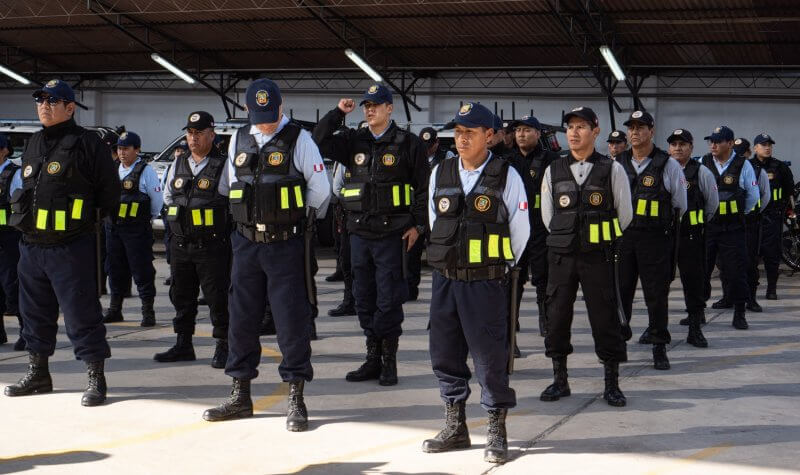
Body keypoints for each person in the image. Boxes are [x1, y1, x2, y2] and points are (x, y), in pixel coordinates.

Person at [203, 79, 330, 432]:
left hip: (285, 244)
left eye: (271, 115)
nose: (266, 122)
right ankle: (240, 394)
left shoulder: (299, 140)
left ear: (281, 105)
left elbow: (320, 191)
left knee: (291, 320)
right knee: (241, 318)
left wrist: (293, 224)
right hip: (245, 244)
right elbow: (229, 186)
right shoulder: (238, 139)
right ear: (247, 110)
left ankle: (296, 397)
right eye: (259, 115)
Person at [421, 102, 529, 464]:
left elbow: (520, 233)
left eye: (470, 132)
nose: (461, 138)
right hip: (446, 281)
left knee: (489, 357)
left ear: (490, 135)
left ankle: (496, 429)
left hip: (485, 282)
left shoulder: (506, 175)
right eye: (458, 131)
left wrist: (494, 266)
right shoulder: (441, 171)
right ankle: (456, 425)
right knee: (445, 353)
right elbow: (435, 220)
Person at [4, 79, 119, 406]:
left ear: (70, 108)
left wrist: (85, 225)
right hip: (32, 245)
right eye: (41, 100)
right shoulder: (34, 142)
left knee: (81, 312)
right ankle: (38, 372)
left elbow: (109, 191)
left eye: (53, 101)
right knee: (33, 313)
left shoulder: (87, 143)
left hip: (70, 246)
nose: (44, 105)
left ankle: (96, 377)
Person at [313, 84, 427, 386]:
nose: (369, 109)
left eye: (376, 104)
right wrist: (339, 113)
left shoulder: (407, 143)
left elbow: (424, 189)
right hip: (359, 233)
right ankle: (372, 357)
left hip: (393, 234)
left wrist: (418, 225)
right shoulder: (354, 141)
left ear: (390, 108)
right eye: (366, 105)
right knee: (362, 298)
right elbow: (319, 140)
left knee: (388, 300)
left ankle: (389, 361)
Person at [540, 106, 631, 407]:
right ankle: (560, 380)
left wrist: (596, 237)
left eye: (581, 127)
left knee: (604, 317)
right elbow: (547, 215)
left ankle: (611, 383)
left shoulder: (611, 168)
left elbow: (625, 214)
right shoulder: (553, 169)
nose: (574, 133)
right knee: (557, 316)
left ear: (596, 131)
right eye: (570, 127)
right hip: (562, 255)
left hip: (598, 256)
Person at [155, 111, 230, 368]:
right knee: (181, 296)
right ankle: (183, 344)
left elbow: (234, 202)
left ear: (212, 133)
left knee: (217, 298)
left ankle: (223, 346)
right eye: (189, 133)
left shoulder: (224, 165)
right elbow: (167, 197)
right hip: (180, 244)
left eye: (199, 133)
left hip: (211, 245)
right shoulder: (178, 162)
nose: (193, 138)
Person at [616, 110, 687, 370]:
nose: (635, 132)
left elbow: (680, 203)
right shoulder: (617, 163)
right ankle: (619, 341)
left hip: (655, 239)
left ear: (651, 131)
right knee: (620, 292)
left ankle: (659, 344)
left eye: (641, 127)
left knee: (656, 294)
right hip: (624, 239)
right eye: (631, 128)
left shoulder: (667, 164)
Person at [101, 132, 162, 326]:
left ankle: (147, 311)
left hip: (136, 230)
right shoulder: (112, 169)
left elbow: (156, 201)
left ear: (137, 150)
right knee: (115, 269)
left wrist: (146, 219)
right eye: (119, 148)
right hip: (113, 229)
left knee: (142, 269)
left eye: (126, 148)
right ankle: (115, 309)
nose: (122, 152)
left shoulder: (146, 171)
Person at [701, 126, 760, 330]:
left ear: (730, 143)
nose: (713, 145)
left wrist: (738, 215)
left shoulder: (743, 165)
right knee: (702, 270)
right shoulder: (704, 162)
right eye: (711, 141)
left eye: (718, 141)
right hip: (709, 227)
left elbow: (753, 197)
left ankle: (739, 313)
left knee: (736, 272)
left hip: (733, 228)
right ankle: (697, 311)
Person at [508, 115, 560, 340]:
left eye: (527, 130)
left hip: (541, 230)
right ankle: (510, 323)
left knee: (543, 279)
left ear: (538, 134)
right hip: (515, 230)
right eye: (518, 130)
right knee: (513, 281)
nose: (521, 134)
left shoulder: (551, 160)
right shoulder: (507, 161)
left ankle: (546, 321)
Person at [667, 129, 718, 347]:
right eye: (674, 144)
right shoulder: (661, 170)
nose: (678, 147)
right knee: (658, 282)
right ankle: (655, 327)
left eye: (683, 144)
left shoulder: (702, 172)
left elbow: (712, 204)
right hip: (665, 236)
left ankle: (696, 326)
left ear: (691, 147)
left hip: (691, 236)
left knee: (693, 282)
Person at [752, 133, 795, 300]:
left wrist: (788, 213)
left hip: (772, 217)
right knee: (751, 255)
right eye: (763, 145)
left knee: (772, 255)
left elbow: (789, 192)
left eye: (769, 145)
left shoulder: (780, 167)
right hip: (752, 218)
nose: (767, 147)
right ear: (755, 148)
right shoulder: (747, 167)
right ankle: (751, 290)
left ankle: (771, 289)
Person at [0, 133, 23, 350]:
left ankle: (26, 331)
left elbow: (22, 205)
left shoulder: (14, 174)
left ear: (5, 150)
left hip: (10, 236)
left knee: (12, 284)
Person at [327, 160, 356, 317]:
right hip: (346, 214)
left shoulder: (352, 160)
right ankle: (350, 301)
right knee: (346, 261)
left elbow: (338, 189)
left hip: (354, 215)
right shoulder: (343, 161)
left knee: (352, 262)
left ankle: (352, 301)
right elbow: (337, 189)